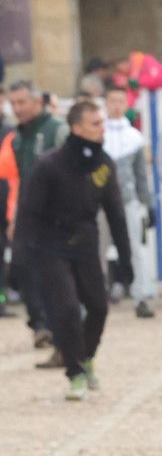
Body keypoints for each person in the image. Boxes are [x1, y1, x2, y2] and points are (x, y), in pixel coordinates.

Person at [15, 100, 131, 400]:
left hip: (86, 242)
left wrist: (126, 258)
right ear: (77, 128)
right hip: (50, 245)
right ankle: (75, 373)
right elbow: (28, 213)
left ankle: (86, 357)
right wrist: (20, 258)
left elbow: (116, 213)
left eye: (103, 123)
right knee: (65, 309)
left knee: (99, 307)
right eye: (96, 124)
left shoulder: (104, 164)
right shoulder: (49, 164)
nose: (102, 129)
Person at [9, 81, 66, 352]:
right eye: (13, 103)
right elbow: (20, 180)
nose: (17, 108)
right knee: (21, 267)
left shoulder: (56, 131)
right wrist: (15, 216)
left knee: (54, 273)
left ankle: (59, 327)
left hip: (55, 214)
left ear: (37, 102)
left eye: (22, 102)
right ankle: (40, 324)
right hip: (27, 213)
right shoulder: (18, 138)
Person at [101, 86, 155, 319]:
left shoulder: (134, 137)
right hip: (100, 202)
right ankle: (95, 297)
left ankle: (141, 295)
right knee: (96, 250)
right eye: (112, 100)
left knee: (137, 249)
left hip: (129, 200)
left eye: (120, 101)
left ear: (126, 105)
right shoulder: (98, 133)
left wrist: (147, 202)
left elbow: (141, 174)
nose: (116, 105)